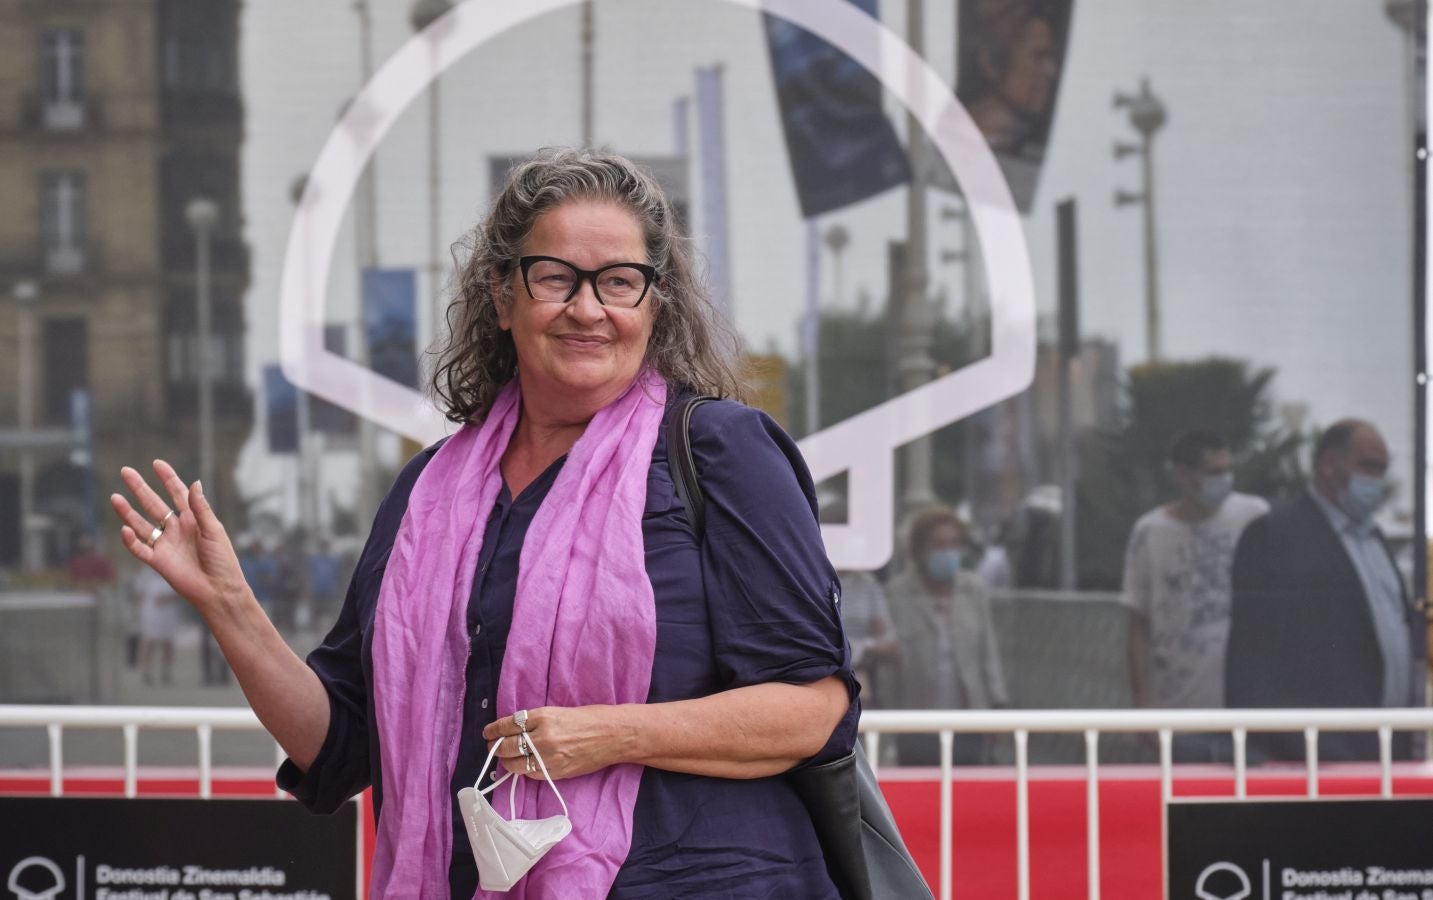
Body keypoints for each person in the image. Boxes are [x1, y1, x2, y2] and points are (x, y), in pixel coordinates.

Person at [110, 148, 856, 897]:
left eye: (619, 282)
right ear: (503, 298)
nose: (587, 308)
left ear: (654, 304)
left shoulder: (721, 452)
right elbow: (339, 747)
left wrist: (608, 735)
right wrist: (229, 606)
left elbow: (813, 712)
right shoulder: (428, 493)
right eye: (555, 277)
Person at [1225, 419, 1425, 762]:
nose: (1376, 480)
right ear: (1329, 465)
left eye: (1382, 469)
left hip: (1389, 751)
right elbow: (1250, 662)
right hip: (1319, 759)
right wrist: (1279, 751)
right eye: (1367, 466)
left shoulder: (1373, 539)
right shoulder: (1276, 535)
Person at [1121, 430, 1268, 760]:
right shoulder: (1150, 533)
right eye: (1213, 472)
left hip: (1243, 712)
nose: (1225, 480)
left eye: (1228, 469)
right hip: (1178, 714)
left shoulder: (1254, 516)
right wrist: (1143, 706)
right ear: (1183, 475)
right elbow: (1138, 625)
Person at [885, 506, 1008, 765]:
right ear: (919, 551)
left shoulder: (973, 589)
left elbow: (988, 652)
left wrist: (998, 704)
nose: (948, 552)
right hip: (916, 720)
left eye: (954, 544)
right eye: (939, 545)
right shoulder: (897, 594)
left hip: (969, 717)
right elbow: (889, 656)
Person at [132, 564, 180, 685]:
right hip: (150, 612)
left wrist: (167, 598)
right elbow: (139, 591)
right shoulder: (145, 572)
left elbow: (179, 591)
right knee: (149, 643)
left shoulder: (171, 569)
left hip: (168, 612)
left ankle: (166, 672)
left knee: (167, 643)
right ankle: (147, 672)